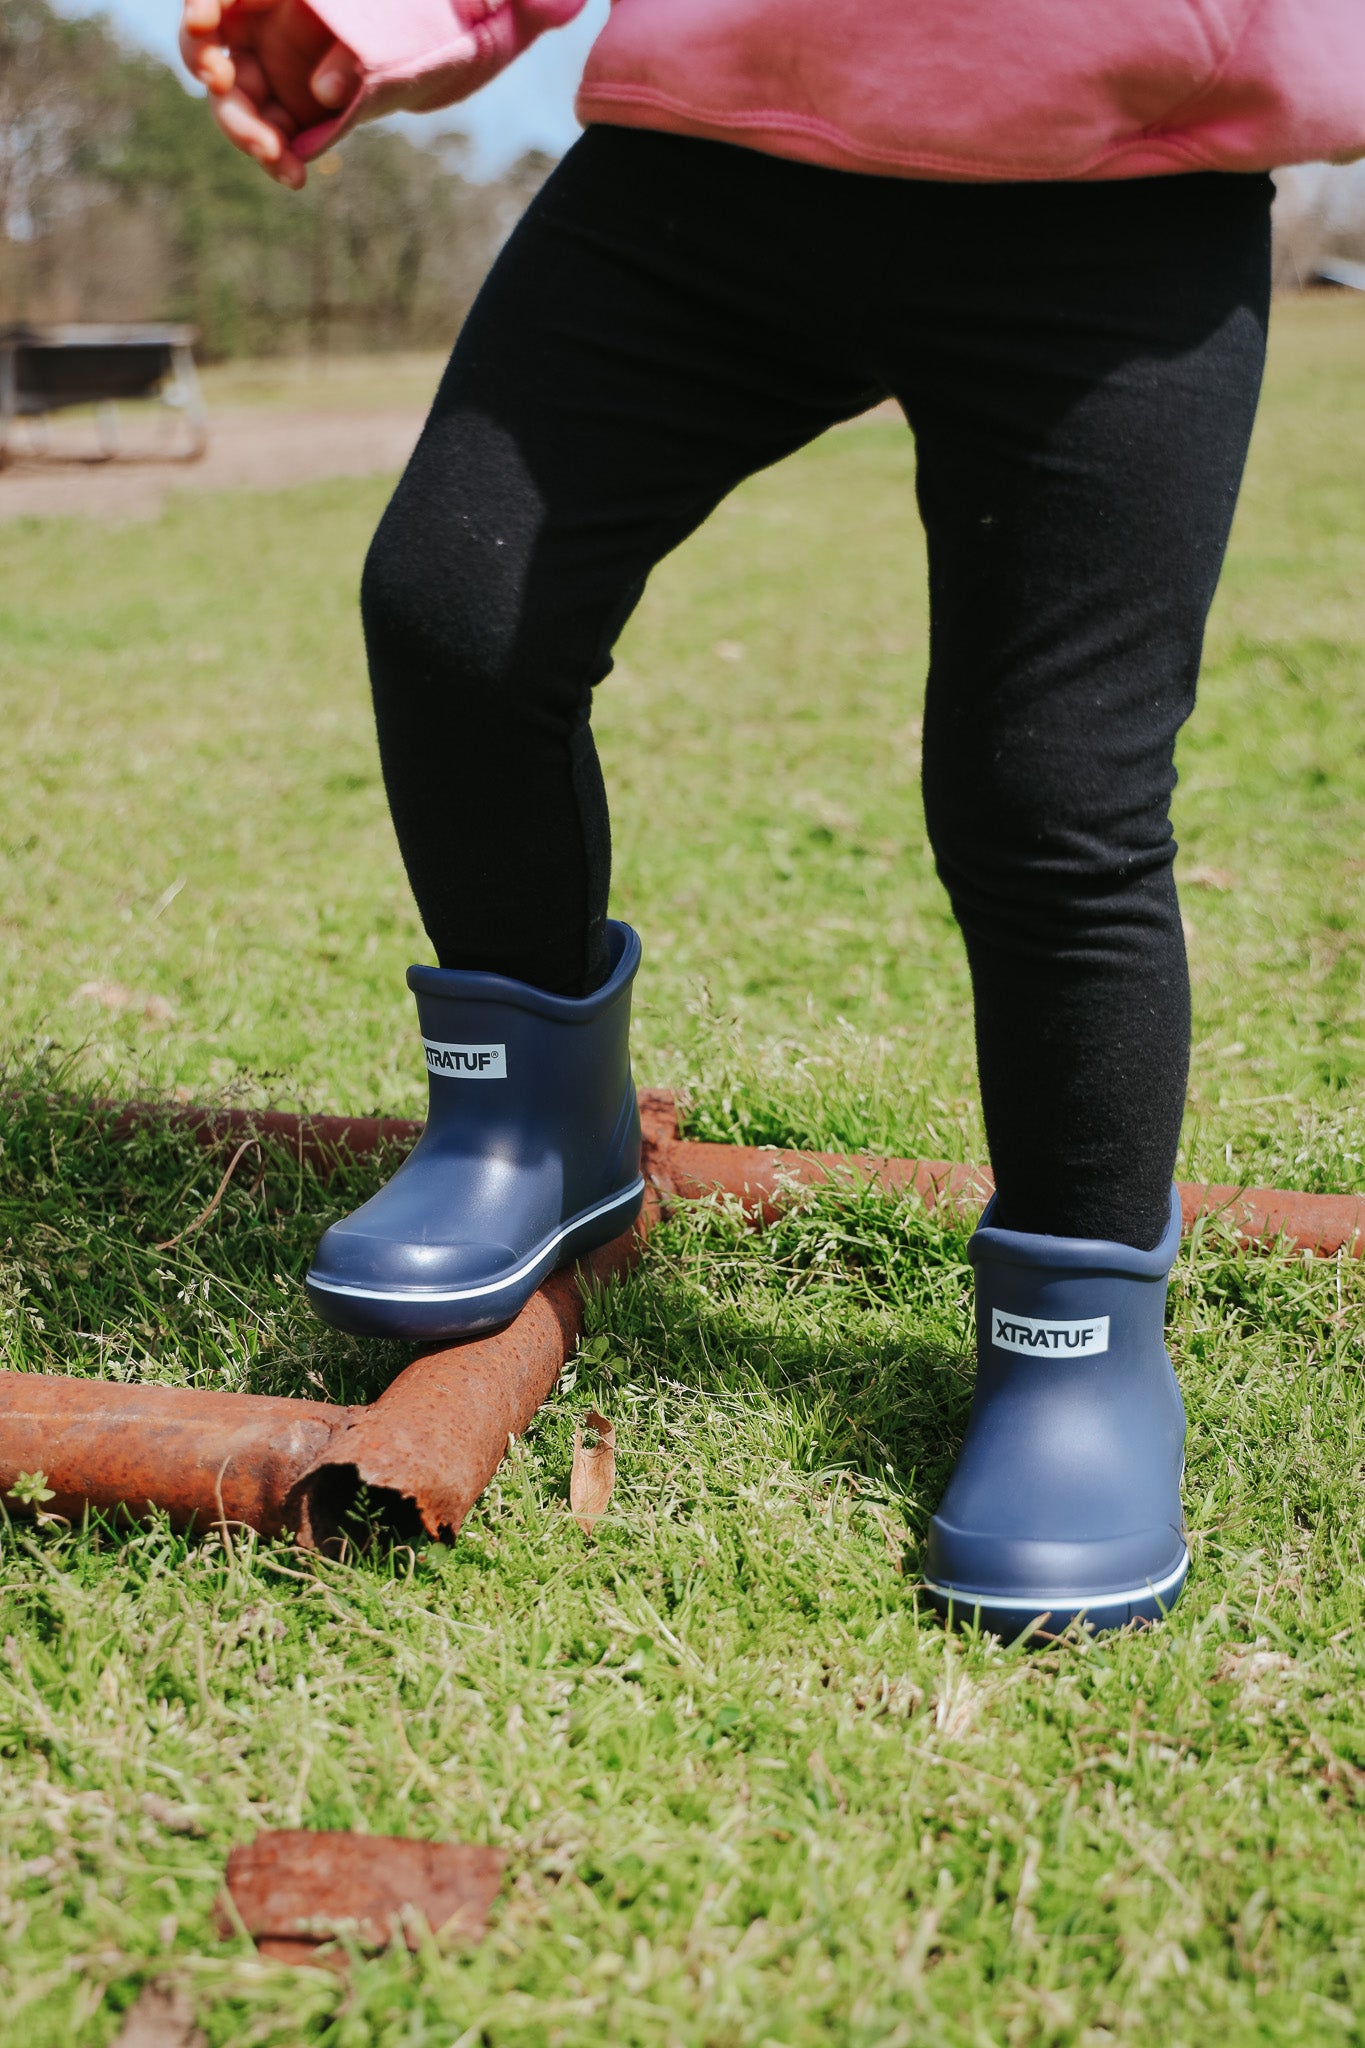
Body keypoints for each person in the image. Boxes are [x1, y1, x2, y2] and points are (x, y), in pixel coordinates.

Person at [179, 0, 1365, 1635]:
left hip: (1117, 185)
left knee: (1047, 790)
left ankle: (1073, 1356)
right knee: (459, 611)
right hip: (712, 157)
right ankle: (531, 1131)